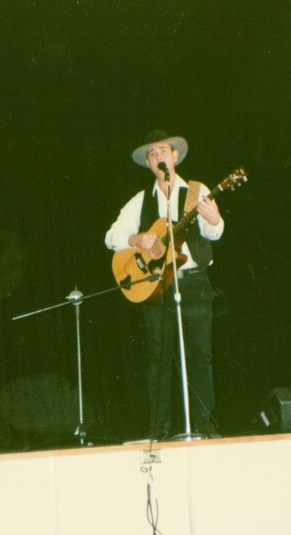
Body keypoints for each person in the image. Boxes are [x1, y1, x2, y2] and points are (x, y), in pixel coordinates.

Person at [104, 130, 224, 439]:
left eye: (163, 151)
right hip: (156, 286)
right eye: (152, 154)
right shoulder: (141, 200)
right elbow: (111, 237)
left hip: (194, 283)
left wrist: (213, 220)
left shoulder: (197, 191)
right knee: (158, 360)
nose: (158, 156)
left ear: (175, 157)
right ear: (148, 164)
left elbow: (214, 235)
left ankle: (205, 427)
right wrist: (137, 238)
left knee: (200, 356)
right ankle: (159, 430)